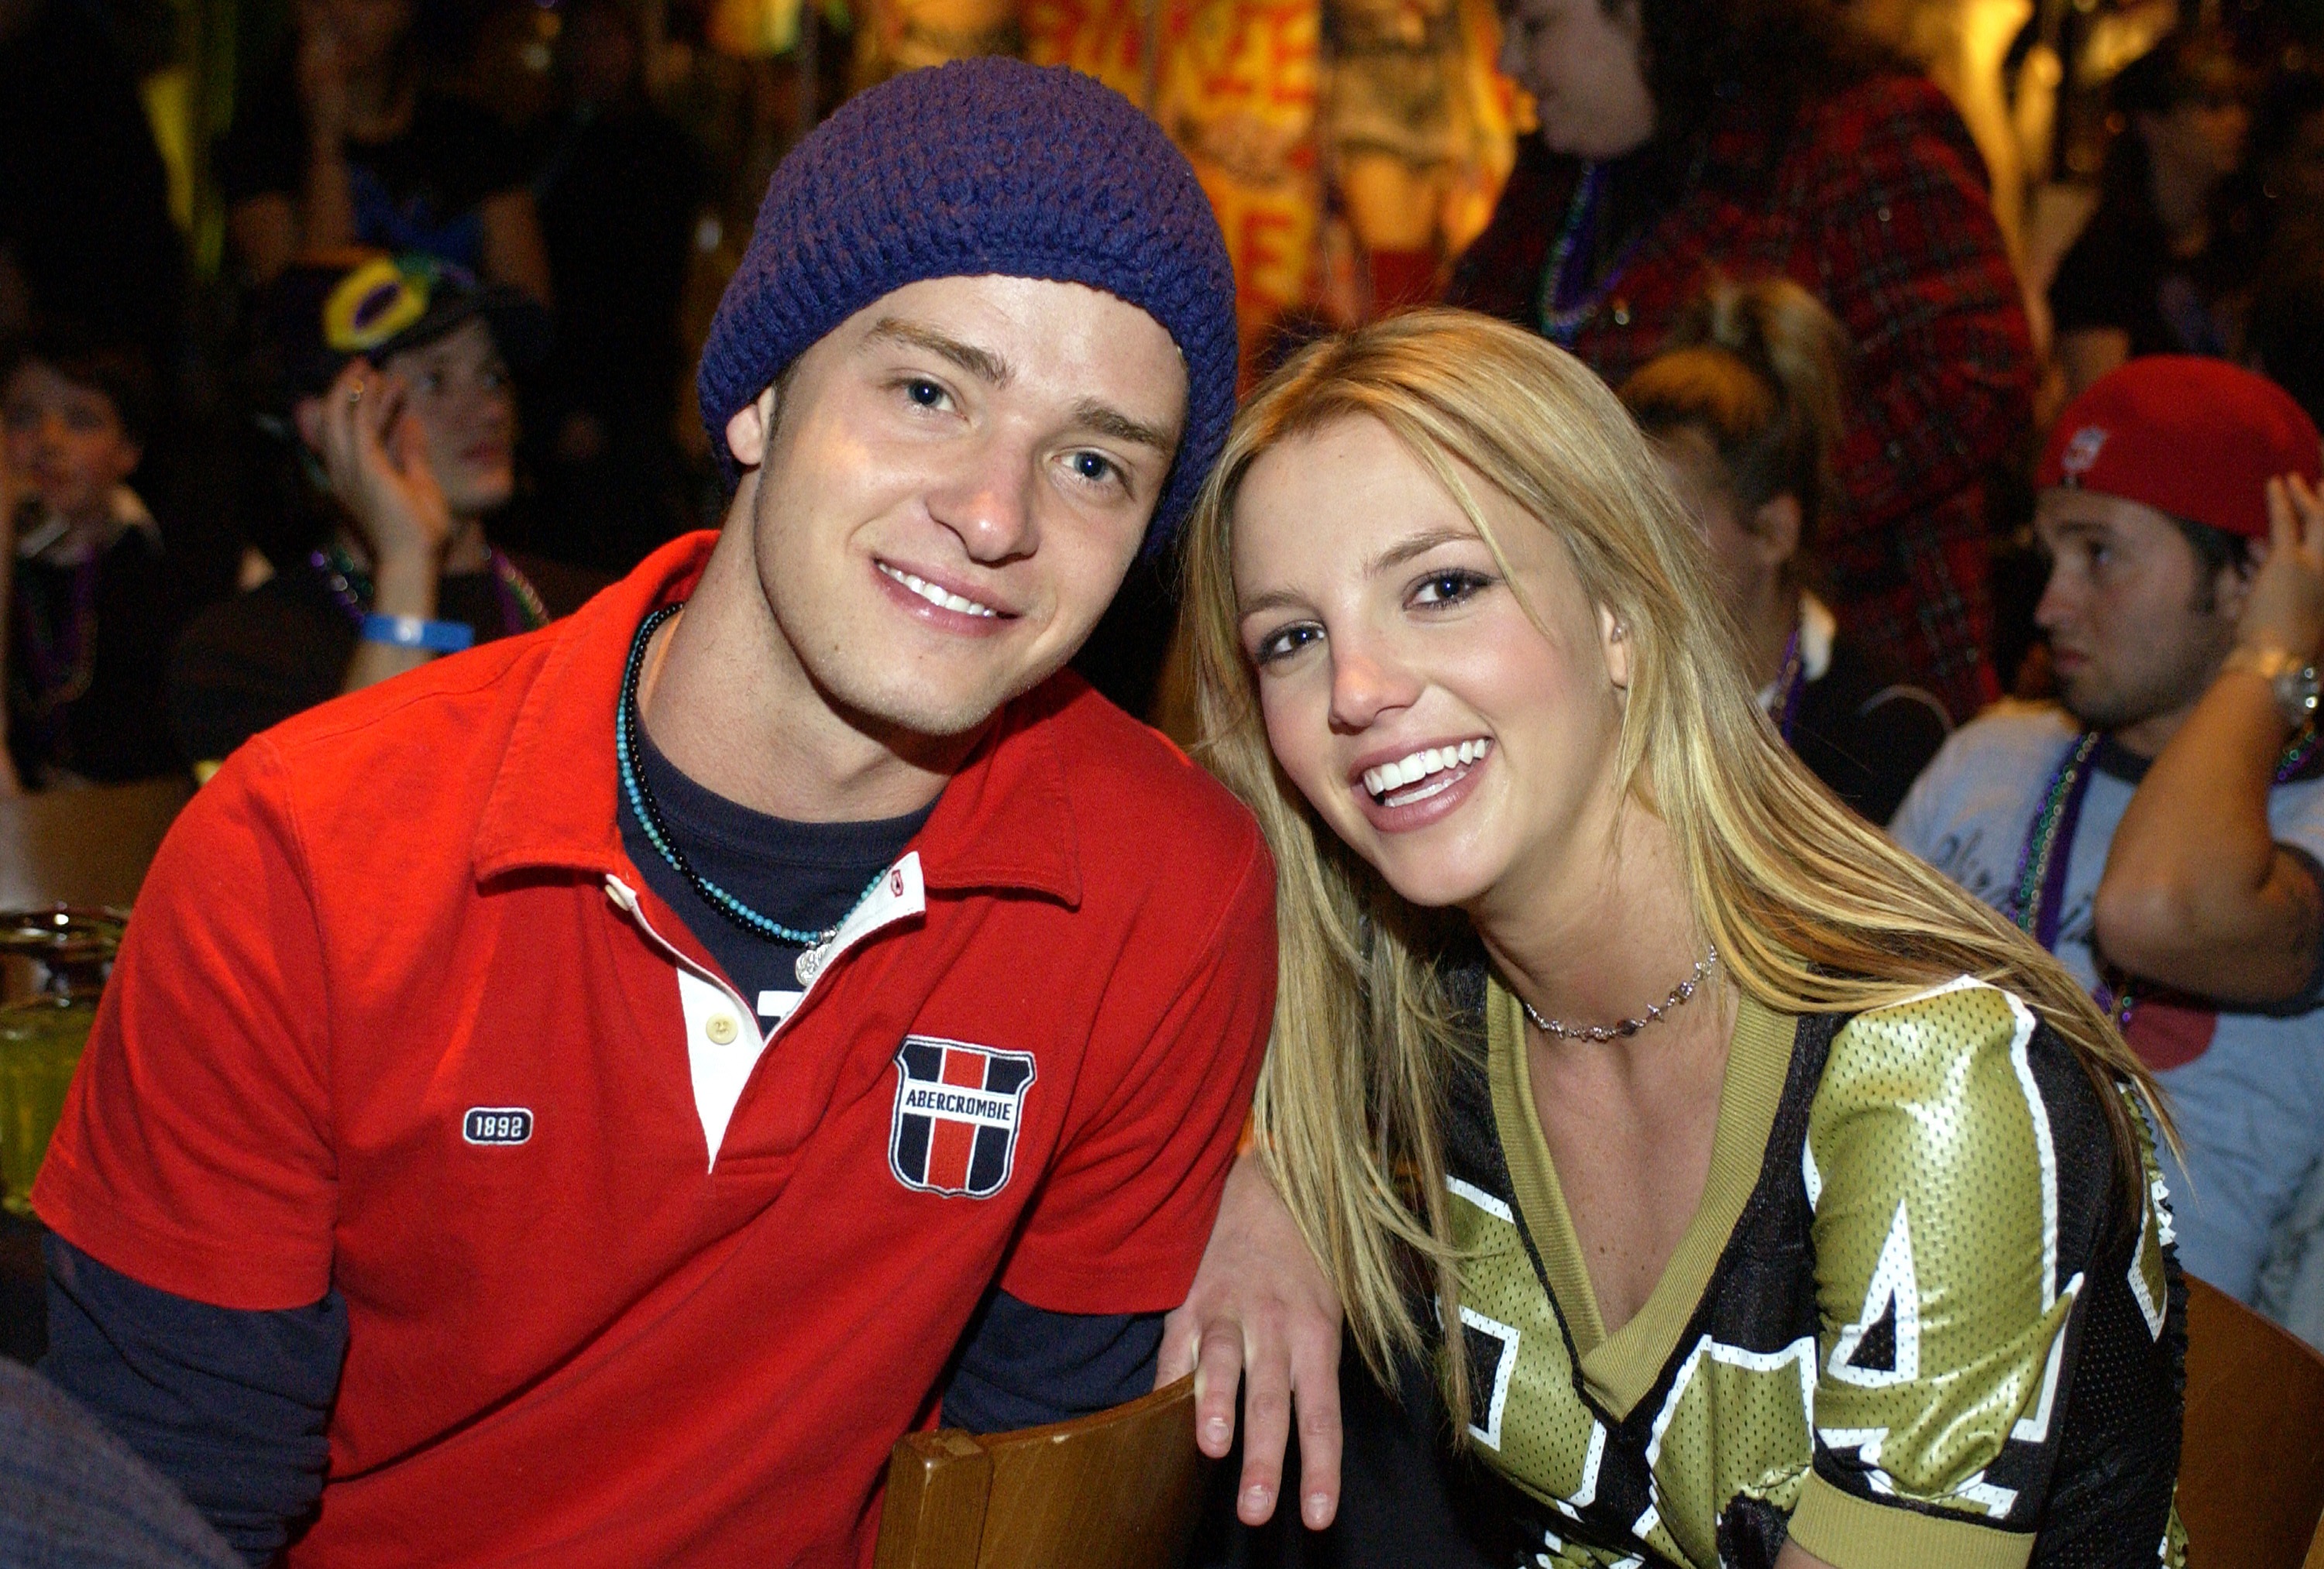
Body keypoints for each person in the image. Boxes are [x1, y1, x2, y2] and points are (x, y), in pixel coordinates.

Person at [36, 60, 1267, 1565]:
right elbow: (154, 1514)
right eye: (931, 389)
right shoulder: (306, 854)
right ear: (757, 392)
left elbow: (1026, 1498)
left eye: (1092, 461)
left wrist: (1293, 1178)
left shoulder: (1163, 888)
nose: (998, 513)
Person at [1179, 309, 2183, 1564]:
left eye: (1442, 585)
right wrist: (1267, 1171)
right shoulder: (1434, 1008)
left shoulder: (1936, 1081)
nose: (1357, 690)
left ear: (1621, 613)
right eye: (1293, 637)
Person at [1893, 355, 2324, 1348]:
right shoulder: (1988, 759)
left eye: (2101, 555)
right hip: (1926, 1321)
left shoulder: (2306, 819)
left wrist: (2273, 661)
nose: (2050, 605)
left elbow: (2156, 910)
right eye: (2050, 557)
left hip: (2192, 1403)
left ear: (2253, 575)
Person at [1446, 0, 2032, 723]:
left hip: (1835, 704)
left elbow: (1974, 379)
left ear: (1645, 18)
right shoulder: (1561, 179)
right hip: (1619, 682)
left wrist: (1751, 514)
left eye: (1534, 26)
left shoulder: (1853, 133)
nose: (1508, 63)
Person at [167, 250, 602, 775]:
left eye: (491, 378)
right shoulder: (243, 651)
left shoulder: (598, 614)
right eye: (434, 381)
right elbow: (348, 832)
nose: (489, 410)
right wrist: (406, 557)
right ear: (328, 422)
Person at [1619, 276, 1949, 823]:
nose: (1631, 551)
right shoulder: (1602, 692)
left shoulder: (1884, 725)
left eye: (1669, 524)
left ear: (1774, 533)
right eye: (1619, 518)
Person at [527, 0, 708, 573]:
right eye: (580, 38)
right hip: (550, 403)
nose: (591, 55)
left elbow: (652, 294)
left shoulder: (664, 155)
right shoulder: (544, 143)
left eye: (607, 38)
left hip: (629, 406)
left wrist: (601, 407)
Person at [219, 0, 552, 300]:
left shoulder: (470, 133)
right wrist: (326, 144)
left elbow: (528, 306)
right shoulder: (261, 138)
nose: (343, 12)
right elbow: (310, 310)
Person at [2, 325, 185, 787]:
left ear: (129, 450)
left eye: (81, 420)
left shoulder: (164, 561)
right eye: (23, 417)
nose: (49, 441)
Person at [2047, 32, 2250, 398]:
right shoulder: (2104, 262)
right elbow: (2106, 410)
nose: (2237, 121)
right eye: (2212, 106)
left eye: (2239, 103)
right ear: (2151, 123)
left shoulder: (2240, 239)